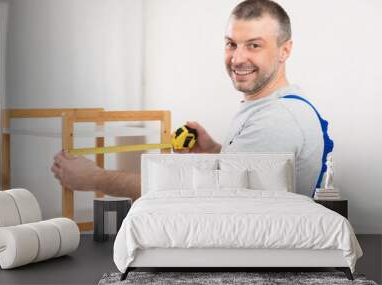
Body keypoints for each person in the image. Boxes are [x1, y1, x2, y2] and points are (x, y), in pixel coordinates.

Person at [51, 0, 331, 199]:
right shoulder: (270, 105)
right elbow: (254, 179)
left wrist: (96, 179)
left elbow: (206, 196)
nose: (237, 58)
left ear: (285, 50)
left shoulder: (276, 118)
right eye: (231, 44)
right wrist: (214, 151)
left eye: (254, 45)